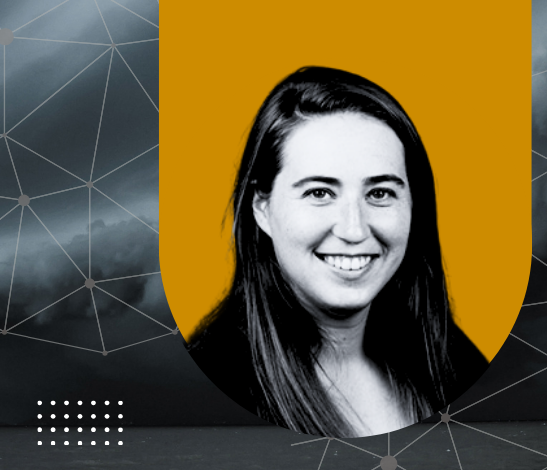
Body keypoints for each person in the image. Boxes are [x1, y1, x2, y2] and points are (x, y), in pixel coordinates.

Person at [186, 67, 488, 438]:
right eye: (319, 193)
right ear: (262, 207)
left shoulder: (455, 360)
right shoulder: (205, 386)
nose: (354, 229)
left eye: (379, 193)